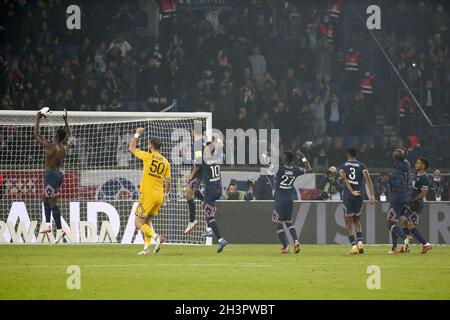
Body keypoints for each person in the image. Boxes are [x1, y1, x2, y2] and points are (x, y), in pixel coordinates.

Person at [129, 128, 170, 256]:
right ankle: (147, 248)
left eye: (149, 144)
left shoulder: (148, 156)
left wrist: (137, 133)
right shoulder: (166, 162)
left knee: (138, 222)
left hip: (148, 195)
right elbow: (168, 182)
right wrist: (166, 194)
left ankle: (155, 236)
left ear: (151, 146)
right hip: (159, 196)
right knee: (147, 221)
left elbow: (131, 148)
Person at [35, 109, 71, 244]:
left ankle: (59, 230)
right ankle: (48, 225)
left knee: (53, 203)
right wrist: (66, 121)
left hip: (51, 175)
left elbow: (36, 135)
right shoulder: (64, 147)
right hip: (59, 174)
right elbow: (69, 134)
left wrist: (38, 118)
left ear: (56, 136)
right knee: (45, 197)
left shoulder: (51, 147)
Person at [186, 142, 227, 253]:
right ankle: (209, 229)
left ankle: (220, 239)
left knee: (210, 216)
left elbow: (196, 166)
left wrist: (191, 176)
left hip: (210, 191)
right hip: (218, 190)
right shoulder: (218, 158)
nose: (204, 150)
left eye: (205, 148)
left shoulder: (204, 159)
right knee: (203, 200)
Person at [273, 151, 312, 254]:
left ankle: (285, 247)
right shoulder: (296, 169)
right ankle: (296, 241)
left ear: (285, 159)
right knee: (289, 222)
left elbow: (266, 165)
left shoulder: (279, 169)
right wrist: (303, 158)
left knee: (278, 222)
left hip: (280, 199)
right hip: (289, 199)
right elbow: (309, 169)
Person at [339, 148, 376, 254]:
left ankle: (354, 246)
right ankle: (360, 242)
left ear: (347, 155)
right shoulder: (362, 166)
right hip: (360, 196)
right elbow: (368, 179)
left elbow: (344, 179)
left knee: (348, 221)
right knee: (357, 219)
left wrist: (351, 191)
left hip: (348, 196)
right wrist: (372, 195)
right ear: (356, 155)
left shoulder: (343, 166)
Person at [400, 157, 432, 254]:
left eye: (418, 163)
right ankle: (406, 246)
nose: (415, 164)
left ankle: (426, 244)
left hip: (416, 205)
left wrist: (411, 201)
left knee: (410, 225)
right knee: (403, 221)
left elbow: (423, 194)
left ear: (423, 166)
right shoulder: (415, 176)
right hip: (410, 203)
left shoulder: (424, 178)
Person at [387, 149, 411, 254]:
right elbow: (408, 183)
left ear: (395, 157)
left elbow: (399, 185)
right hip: (403, 198)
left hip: (396, 199)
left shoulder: (396, 170)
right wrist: (406, 199)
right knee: (395, 222)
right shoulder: (405, 167)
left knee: (390, 223)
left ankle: (405, 238)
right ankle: (394, 248)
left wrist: (399, 198)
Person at [184, 128, 206, 235]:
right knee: (189, 194)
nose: (190, 133)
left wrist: (191, 175)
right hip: (198, 173)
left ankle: (192, 221)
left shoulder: (198, 144)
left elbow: (197, 164)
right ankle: (204, 201)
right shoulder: (198, 143)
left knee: (188, 195)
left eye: (192, 131)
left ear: (194, 131)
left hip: (199, 173)